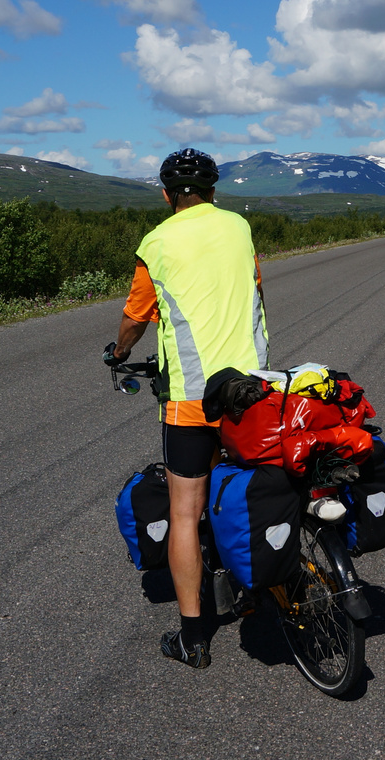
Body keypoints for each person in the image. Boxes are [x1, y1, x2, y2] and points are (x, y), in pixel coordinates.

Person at [108, 147, 267, 669]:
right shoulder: (239, 228)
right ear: (214, 191)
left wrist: (120, 351)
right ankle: (262, 581)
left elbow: (136, 315)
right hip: (253, 388)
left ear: (166, 193)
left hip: (193, 400)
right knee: (257, 483)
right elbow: (255, 287)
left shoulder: (155, 243)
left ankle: (194, 638)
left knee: (184, 511)